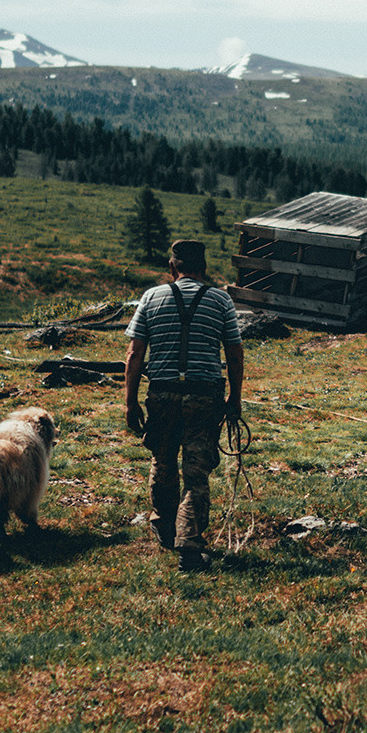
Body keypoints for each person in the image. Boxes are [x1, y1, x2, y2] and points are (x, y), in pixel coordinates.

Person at [123, 239, 244, 572]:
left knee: (162, 461)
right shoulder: (220, 300)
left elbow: (134, 354)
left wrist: (130, 402)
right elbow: (234, 353)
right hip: (204, 397)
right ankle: (189, 546)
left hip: (161, 394)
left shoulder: (151, 297)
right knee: (196, 471)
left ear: (172, 267)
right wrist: (234, 398)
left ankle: (164, 528)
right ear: (203, 269)